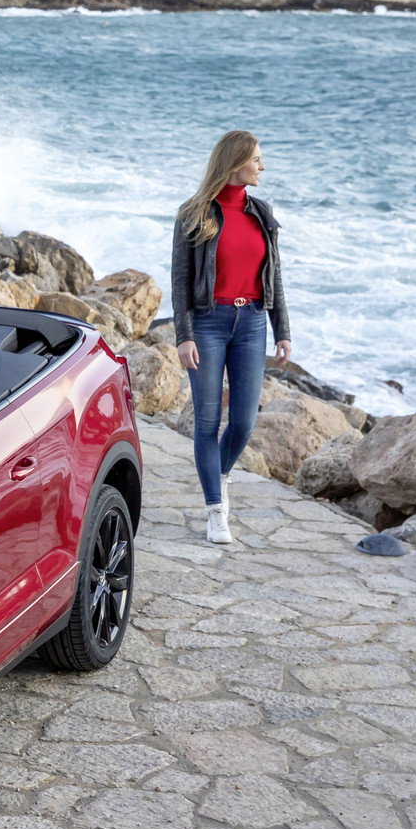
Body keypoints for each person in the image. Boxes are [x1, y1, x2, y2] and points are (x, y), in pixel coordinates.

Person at [170, 130, 292, 545]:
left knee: (243, 422)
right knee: (207, 422)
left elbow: (274, 278)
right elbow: (181, 282)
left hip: (252, 323)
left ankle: (219, 477)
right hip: (207, 323)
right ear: (236, 161)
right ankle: (214, 509)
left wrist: (283, 332)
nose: (262, 166)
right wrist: (183, 335)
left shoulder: (262, 213)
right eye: (257, 159)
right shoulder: (194, 213)